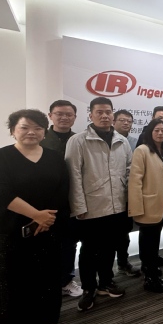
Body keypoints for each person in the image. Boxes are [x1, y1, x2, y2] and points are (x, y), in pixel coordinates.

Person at [0, 109, 69, 324]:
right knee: (11, 280)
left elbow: (62, 190)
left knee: (47, 276)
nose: (31, 132)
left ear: (44, 132)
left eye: (38, 128)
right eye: (24, 127)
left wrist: (47, 220)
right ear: (13, 130)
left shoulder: (54, 158)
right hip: (10, 229)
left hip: (48, 227)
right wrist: (36, 215)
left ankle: (46, 320)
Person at [65, 97, 131, 311]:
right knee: (89, 250)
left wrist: (129, 202)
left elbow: (129, 170)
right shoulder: (78, 141)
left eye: (108, 112)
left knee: (110, 248)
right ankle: (88, 288)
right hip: (92, 207)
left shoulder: (122, 140)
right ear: (90, 114)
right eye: (99, 112)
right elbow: (73, 175)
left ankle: (105, 282)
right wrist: (79, 207)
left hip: (117, 205)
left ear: (113, 114)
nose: (104, 116)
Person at [40, 100, 82, 298]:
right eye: (59, 114)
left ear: (75, 117)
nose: (64, 117)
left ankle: (66, 280)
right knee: (45, 245)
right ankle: (46, 282)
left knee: (69, 243)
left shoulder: (80, 139)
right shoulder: (40, 139)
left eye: (69, 114)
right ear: (50, 116)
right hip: (44, 203)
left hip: (71, 200)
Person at [128, 118, 163, 292]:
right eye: (156, 130)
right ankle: (150, 277)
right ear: (150, 132)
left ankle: (151, 267)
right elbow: (135, 181)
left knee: (155, 238)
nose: (160, 133)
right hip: (147, 204)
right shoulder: (142, 150)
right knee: (148, 241)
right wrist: (136, 208)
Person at [112, 109, 142, 279]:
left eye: (129, 121)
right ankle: (105, 272)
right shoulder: (107, 140)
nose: (126, 123)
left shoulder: (134, 142)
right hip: (107, 196)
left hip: (127, 195)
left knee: (124, 233)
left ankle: (123, 263)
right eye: (122, 120)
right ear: (113, 122)